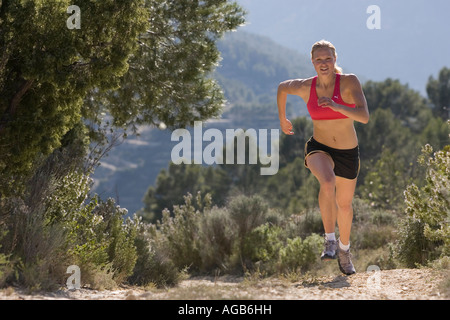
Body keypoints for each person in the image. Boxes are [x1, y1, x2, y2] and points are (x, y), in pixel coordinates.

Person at [277, 40, 369, 275]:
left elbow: (364, 116)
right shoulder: (306, 86)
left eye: (327, 58)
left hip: (348, 152)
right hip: (320, 147)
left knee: (345, 206)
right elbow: (281, 87)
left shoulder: (349, 82)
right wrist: (283, 118)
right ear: (312, 62)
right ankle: (329, 239)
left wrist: (337, 106)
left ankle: (344, 250)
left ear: (334, 59)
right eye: (319, 60)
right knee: (327, 182)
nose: (323, 63)